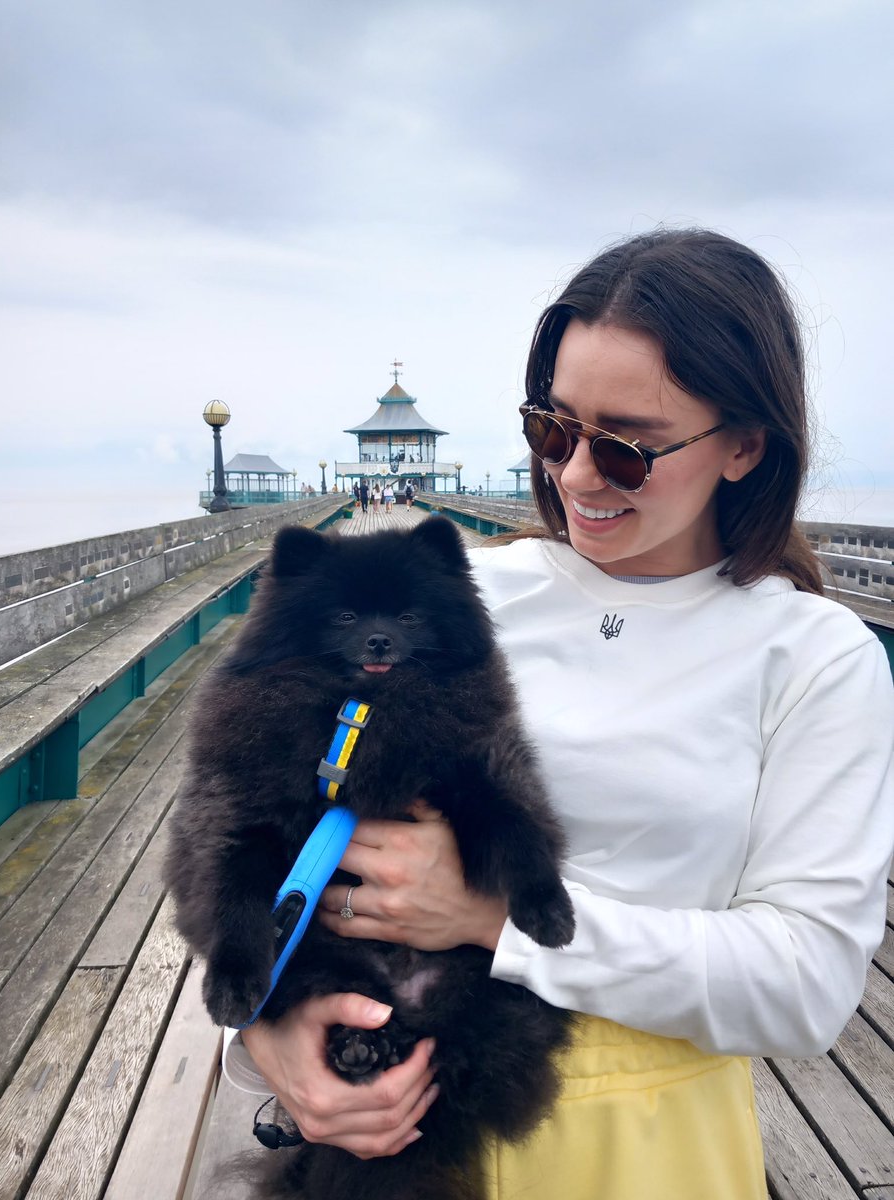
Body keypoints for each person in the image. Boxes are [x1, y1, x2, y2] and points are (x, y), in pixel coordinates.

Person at [222, 229, 894, 1199]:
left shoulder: (814, 657)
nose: (577, 476)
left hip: (642, 1143)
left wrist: (496, 919)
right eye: (554, 429)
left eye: (628, 447)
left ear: (746, 444)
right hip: (384, 1124)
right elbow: (263, 819)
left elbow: (808, 983)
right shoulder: (448, 598)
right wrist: (269, 1038)